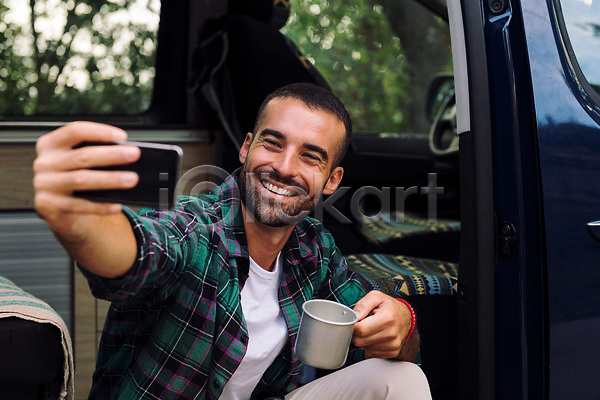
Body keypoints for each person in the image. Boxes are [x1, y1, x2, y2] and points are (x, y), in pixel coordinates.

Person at [33, 83, 432, 399]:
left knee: (401, 377)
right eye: (272, 143)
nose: (284, 167)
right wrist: (80, 222)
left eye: (310, 157)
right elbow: (140, 252)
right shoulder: (194, 229)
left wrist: (403, 322)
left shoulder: (316, 249)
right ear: (246, 148)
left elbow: (386, 335)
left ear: (332, 180)